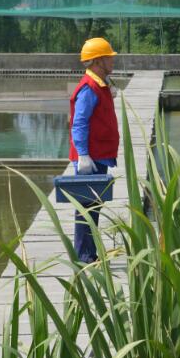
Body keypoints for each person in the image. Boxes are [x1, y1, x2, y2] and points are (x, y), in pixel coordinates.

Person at [67, 36, 119, 263]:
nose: (113, 61)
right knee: (86, 209)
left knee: (93, 207)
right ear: (98, 61)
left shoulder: (99, 85)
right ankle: (84, 257)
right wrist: (83, 155)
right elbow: (79, 123)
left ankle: (90, 254)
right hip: (91, 158)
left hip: (99, 156)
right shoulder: (88, 88)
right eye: (109, 57)